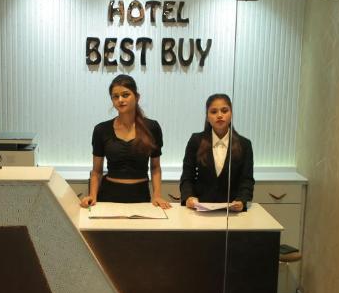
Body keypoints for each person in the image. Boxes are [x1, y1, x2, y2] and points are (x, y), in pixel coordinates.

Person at [80, 75, 170, 208]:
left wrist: (157, 195)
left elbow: (155, 167)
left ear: (137, 97)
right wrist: (93, 195)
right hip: (109, 196)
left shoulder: (152, 127)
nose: (120, 100)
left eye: (125, 95)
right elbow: (97, 171)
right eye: (115, 96)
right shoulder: (101, 130)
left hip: (140, 196)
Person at [180, 93, 254, 212]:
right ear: (207, 117)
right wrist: (188, 197)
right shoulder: (196, 140)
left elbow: (247, 179)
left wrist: (242, 200)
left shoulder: (244, 144)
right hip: (200, 208)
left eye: (224, 111)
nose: (219, 115)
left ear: (231, 114)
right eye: (214, 112)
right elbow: (187, 176)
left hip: (232, 211)